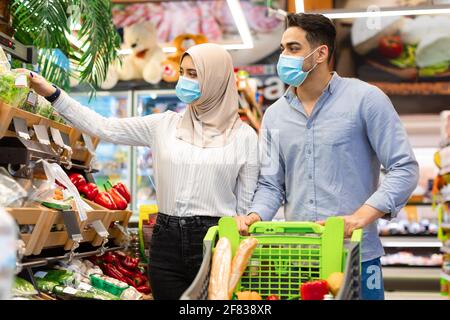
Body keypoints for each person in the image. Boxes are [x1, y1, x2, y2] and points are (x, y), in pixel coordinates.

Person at [22, 43, 259, 300]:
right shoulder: (164, 125)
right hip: (166, 238)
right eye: (182, 72)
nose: (184, 80)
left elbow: (245, 208)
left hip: (215, 239)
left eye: (194, 74)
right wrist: (53, 94)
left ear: (216, 79)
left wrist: (243, 232)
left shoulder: (244, 137)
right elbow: (105, 127)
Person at [235, 13, 419, 300]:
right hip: (298, 257)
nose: (283, 56)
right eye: (283, 48)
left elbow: (404, 167)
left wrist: (359, 218)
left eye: (293, 48)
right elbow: (271, 184)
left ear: (320, 53)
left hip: (357, 254)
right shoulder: (274, 116)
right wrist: (254, 215)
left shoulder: (366, 100)